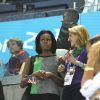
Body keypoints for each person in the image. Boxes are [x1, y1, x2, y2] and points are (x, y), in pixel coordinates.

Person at [20, 30, 63, 100]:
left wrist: (51, 75)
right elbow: (22, 84)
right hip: (31, 96)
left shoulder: (59, 60)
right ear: (39, 43)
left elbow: (63, 84)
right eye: (42, 40)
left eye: (48, 39)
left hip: (52, 96)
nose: (45, 41)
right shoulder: (31, 59)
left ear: (52, 42)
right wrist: (34, 75)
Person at [58, 25, 90, 100]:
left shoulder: (88, 50)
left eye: (70, 36)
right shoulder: (70, 52)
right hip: (67, 87)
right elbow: (68, 72)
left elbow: (94, 68)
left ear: (79, 35)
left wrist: (76, 62)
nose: (68, 39)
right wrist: (62, 70)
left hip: (81, 86)